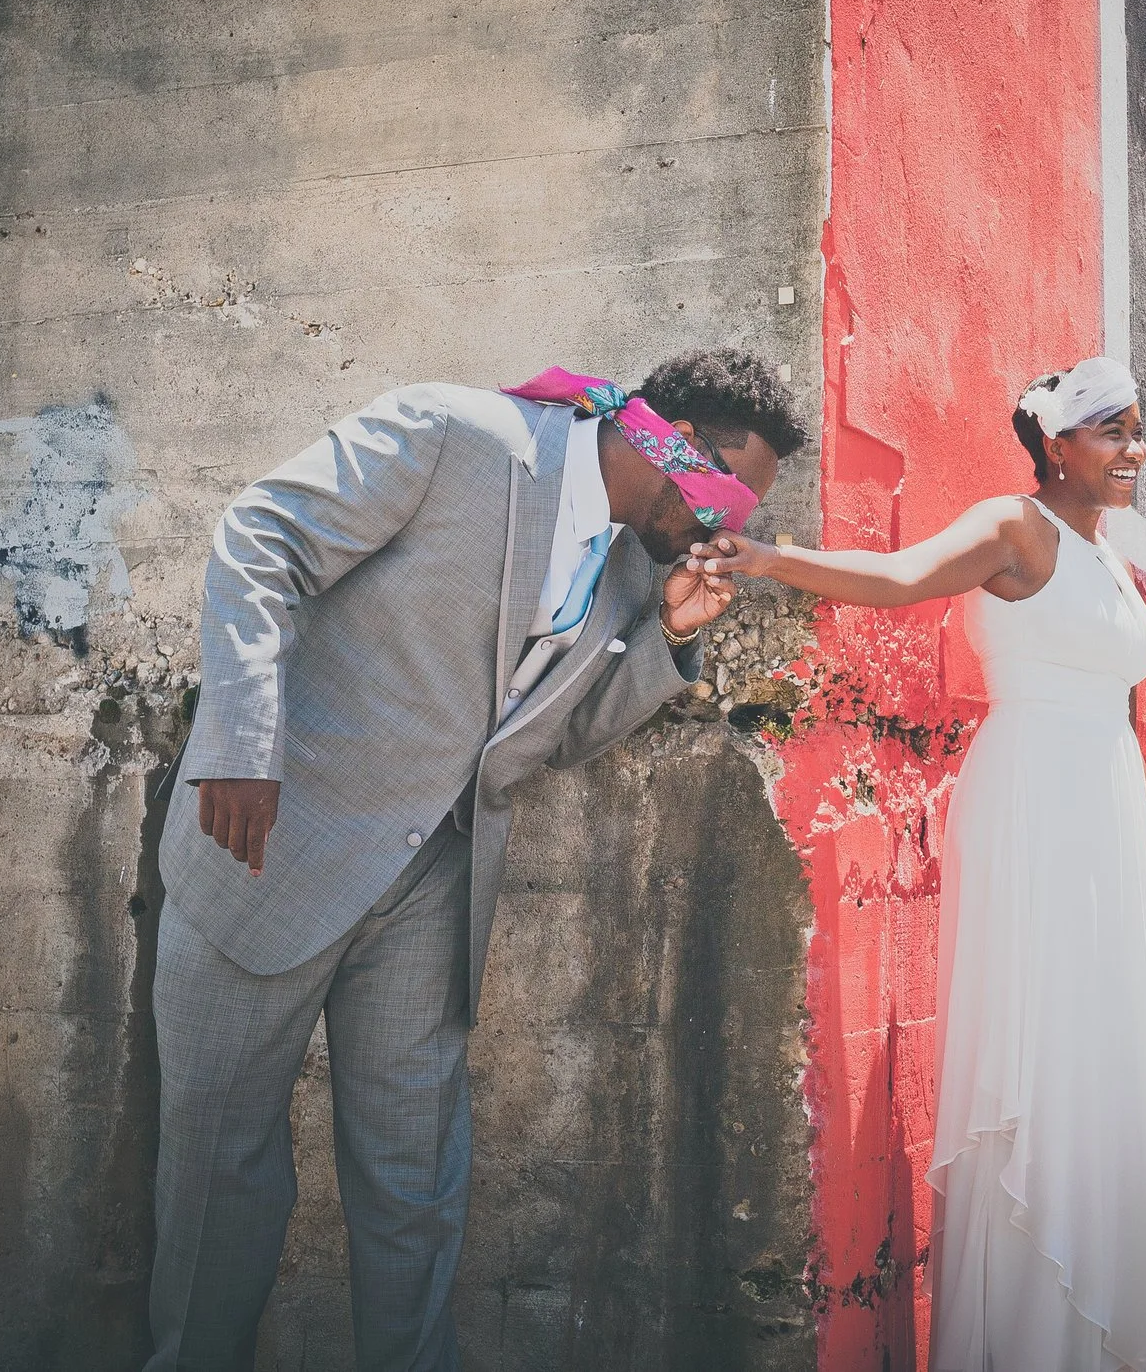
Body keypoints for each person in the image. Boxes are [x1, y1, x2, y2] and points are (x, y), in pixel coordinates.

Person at [147, 350, 807, 1371]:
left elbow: (557, 737)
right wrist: (240, 744)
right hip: (268, 850)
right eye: (732, 500)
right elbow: (259, 534)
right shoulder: (451, 434)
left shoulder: (636, 571)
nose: (727, 531)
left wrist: (667, 639)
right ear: (675, 445)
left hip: (433, 891)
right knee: (218, 1186)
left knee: (414, 1194)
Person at [698, 355, 1146, 1371]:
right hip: (1031, 811)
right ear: (1057, 443)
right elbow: (899, 578)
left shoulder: (1106, 557)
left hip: (1104, 818)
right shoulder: (1014, 526)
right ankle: (1038, 1336)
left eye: (1138, 430)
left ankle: (1111, 1330)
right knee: (1044, 1047)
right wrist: (773, 559)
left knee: (1114, 1053)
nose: (1134, 450)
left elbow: (1122, 731)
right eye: (1111, 430)